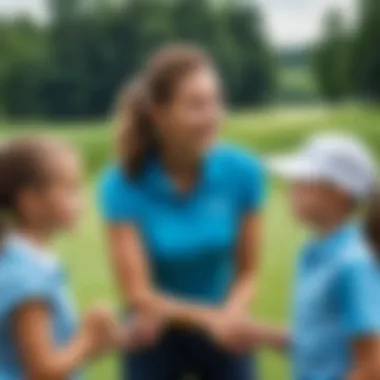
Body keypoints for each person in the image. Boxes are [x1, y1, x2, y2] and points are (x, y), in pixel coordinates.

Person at [98, 45, 267, 379]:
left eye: (216, 101)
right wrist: (212, 318)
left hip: (225, 324)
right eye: (196, 105)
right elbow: (137, 291)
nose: (212, 115)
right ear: (159, 114)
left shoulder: (244, 171)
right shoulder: (122, 183)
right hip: (154, 331)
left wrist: (231, 315)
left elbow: (248, 272)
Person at [0, 137, 158, 380]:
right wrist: (89, 336)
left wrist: (118, 337)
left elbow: (57, 350)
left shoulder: (32, 261)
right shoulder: (26, 278)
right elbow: (43, 370)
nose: (81, 199)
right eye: (70, 188)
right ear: (30, 201)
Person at [248, 133, 380, 380]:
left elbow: (372, 368)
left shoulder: (354, 264)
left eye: (302, 180)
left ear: (339, 191)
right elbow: (320, 341)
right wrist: (258, 334)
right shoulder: (313, 253)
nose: (291, 188)